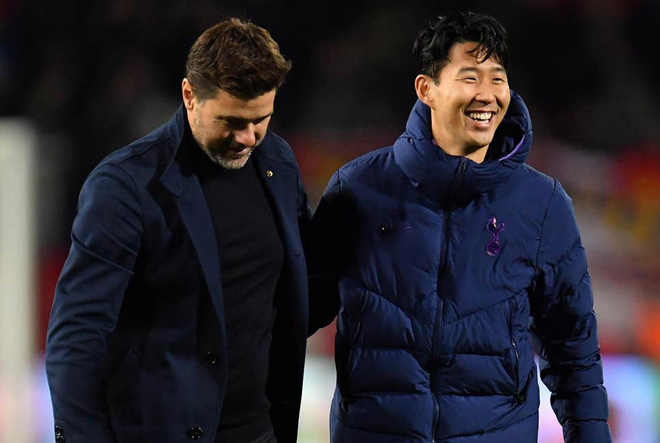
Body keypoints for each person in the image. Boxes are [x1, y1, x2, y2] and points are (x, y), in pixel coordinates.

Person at [307, 11, 612, 443]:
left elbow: (573, 349)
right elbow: (295, 311)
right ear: (426, 89)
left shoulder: (542, 204)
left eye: (497, 79)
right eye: (470, 78)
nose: (486, 95)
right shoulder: (358, 189)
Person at [46, 18, 311, 443]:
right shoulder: (125, 187)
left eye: (261, 119)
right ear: (189, 95)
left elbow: (301, 284)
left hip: (259, 431)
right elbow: (77, 336)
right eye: (231, 121)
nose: (248, 137)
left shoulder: (277, 161)